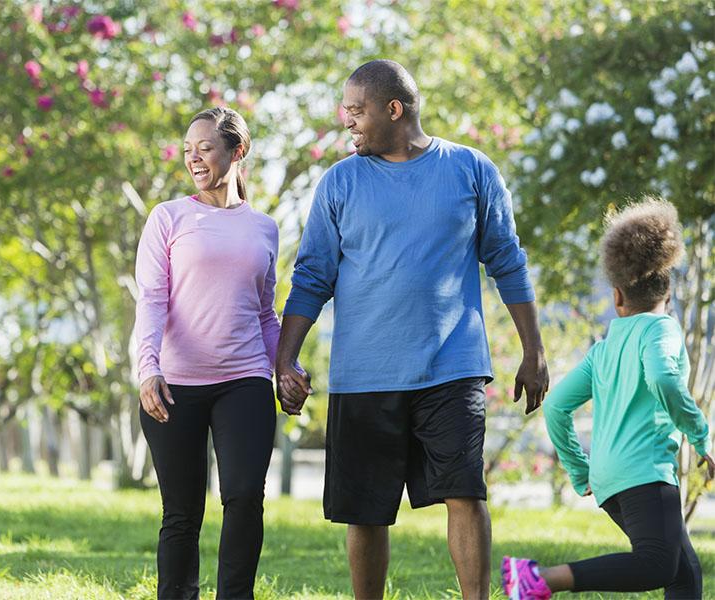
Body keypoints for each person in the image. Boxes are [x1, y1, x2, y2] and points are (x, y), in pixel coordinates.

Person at [275, 59, 548, 600]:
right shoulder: (340, 182)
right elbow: (311, 277)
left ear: (393, 109)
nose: (347, 122)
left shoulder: (471, 170)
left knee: (466, 494)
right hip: (363, 374)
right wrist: (286, 359)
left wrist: (533, 351)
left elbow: (507, 262)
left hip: (452, 367)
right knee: (366, 512)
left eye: (356, 111)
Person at [502, 198, 713, 600]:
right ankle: (539, 580)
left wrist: (580, 472)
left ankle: (537, 579)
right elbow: (664, 379)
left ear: (617, 297)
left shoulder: (603, 349)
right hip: (645, 472)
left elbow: (557, 405)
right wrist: (702, 436)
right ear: (667, 290)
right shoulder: (661, 330)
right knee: (656, 563)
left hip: (607, 477)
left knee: (684, 574)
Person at [135, 106, 290, 600]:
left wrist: (286, 366)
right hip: (175, 385)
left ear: (237, 151)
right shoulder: (169, 217)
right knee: (182, 513)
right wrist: (148, 369)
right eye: (187, 150)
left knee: (244, 497)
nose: (194, 158)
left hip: (244, 381)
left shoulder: (264, 228)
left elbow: (265, 312)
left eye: (205, 148)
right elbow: (153, 299)